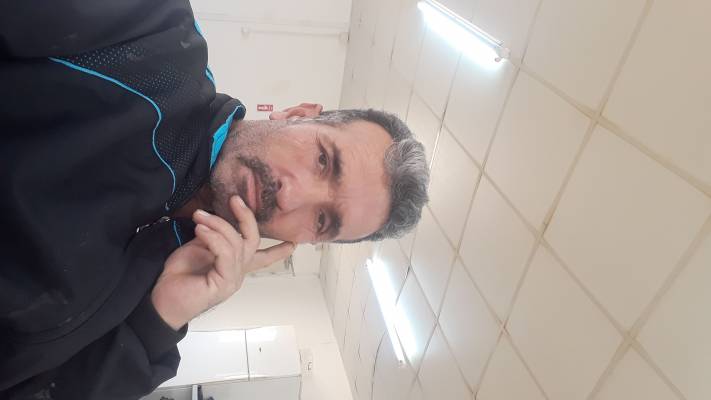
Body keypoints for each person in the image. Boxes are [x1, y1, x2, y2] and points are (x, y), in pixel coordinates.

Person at [0, 1, 429, 399]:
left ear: (307, 242)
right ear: (297, 115)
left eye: (322, 220)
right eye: (323, 160)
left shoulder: (160, 306)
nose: (293, 195)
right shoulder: (153, 36)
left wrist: (155, 322)